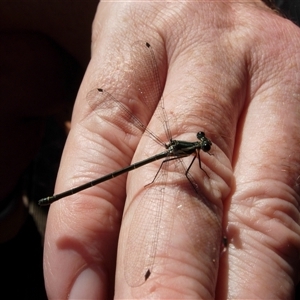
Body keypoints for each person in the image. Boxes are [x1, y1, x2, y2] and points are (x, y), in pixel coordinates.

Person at [1, 1, 300, 299]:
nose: (204, 145)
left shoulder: (190, 152)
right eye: (203, 143)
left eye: (204, 144)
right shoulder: (192, 153)